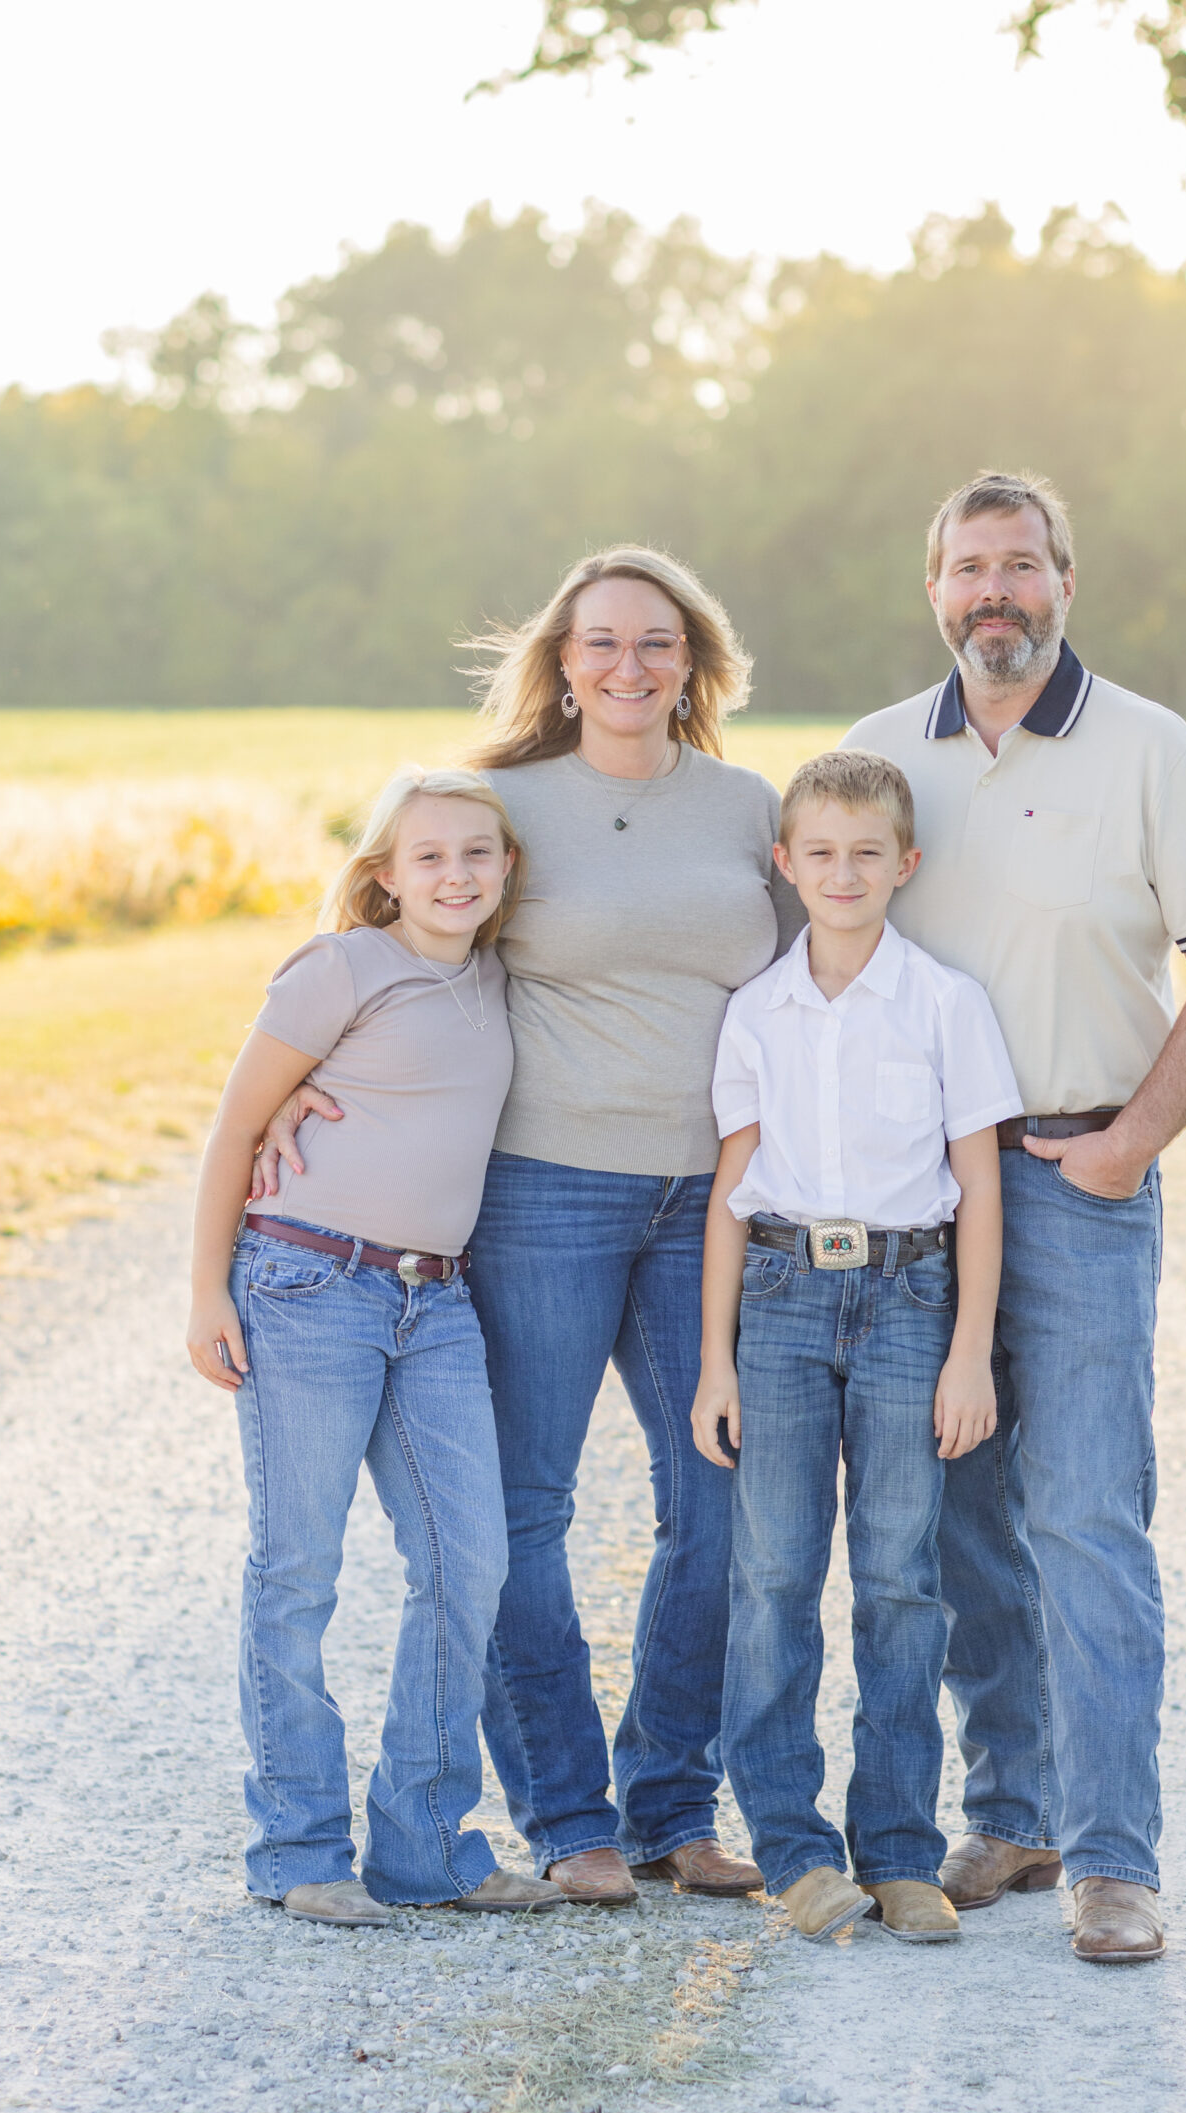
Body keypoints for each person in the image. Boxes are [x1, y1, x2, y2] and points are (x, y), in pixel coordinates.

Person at [257, 548, 800, 1908]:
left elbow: (815, 983)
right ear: (561, 664)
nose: (629, 666)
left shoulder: (745, 806)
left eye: (658, 643)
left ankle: (676, 1807)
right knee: (524, 1513)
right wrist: (302, 1097)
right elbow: (396, 939)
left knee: (715, 1505)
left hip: (709, 1207)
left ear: (695, 663)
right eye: (601, 643)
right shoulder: (504, 803)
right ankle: (570, 1817)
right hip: (541, 1194)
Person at [843, 470, 1186, 1965]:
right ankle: (1012, 1811)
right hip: (917, 1205)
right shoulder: (877, 756)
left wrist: (1132, 1144)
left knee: (1086, 1517)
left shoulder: (1152, 750)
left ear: (1065, 582)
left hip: (1079, 1180)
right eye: (968, 568)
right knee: (962, 1519)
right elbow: (807, 972)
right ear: (933, 589)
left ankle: (1114, 1860)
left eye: (1019, 566)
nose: (994, 594)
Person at [185, 767, 559, 1925]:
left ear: (506, 872)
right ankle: (297, 1850)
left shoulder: (501, 977)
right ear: (385, 875)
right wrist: (207, 1288)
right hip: (306, 1286)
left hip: (436, 1307)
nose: (456, 875)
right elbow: (237, 1126)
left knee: (467, 1562)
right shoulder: (340, 966)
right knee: (297, 1568)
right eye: (429, 856)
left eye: (478, 855)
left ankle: (423, 1845)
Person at [693, 752, 1022, 1944]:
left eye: (865, 853)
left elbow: (976, 1188)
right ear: (784, 863)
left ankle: (897, 1848)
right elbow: (732, 1190)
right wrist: (715, 1360)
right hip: (778, 1299)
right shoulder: (755, 1013)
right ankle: (791, 1846)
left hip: (908, 1299)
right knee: (774, 1573)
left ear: (904, 865)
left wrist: (969, 1350)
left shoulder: (943, 1004)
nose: (842, 873)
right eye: (818, 852)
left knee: (899, 1578)